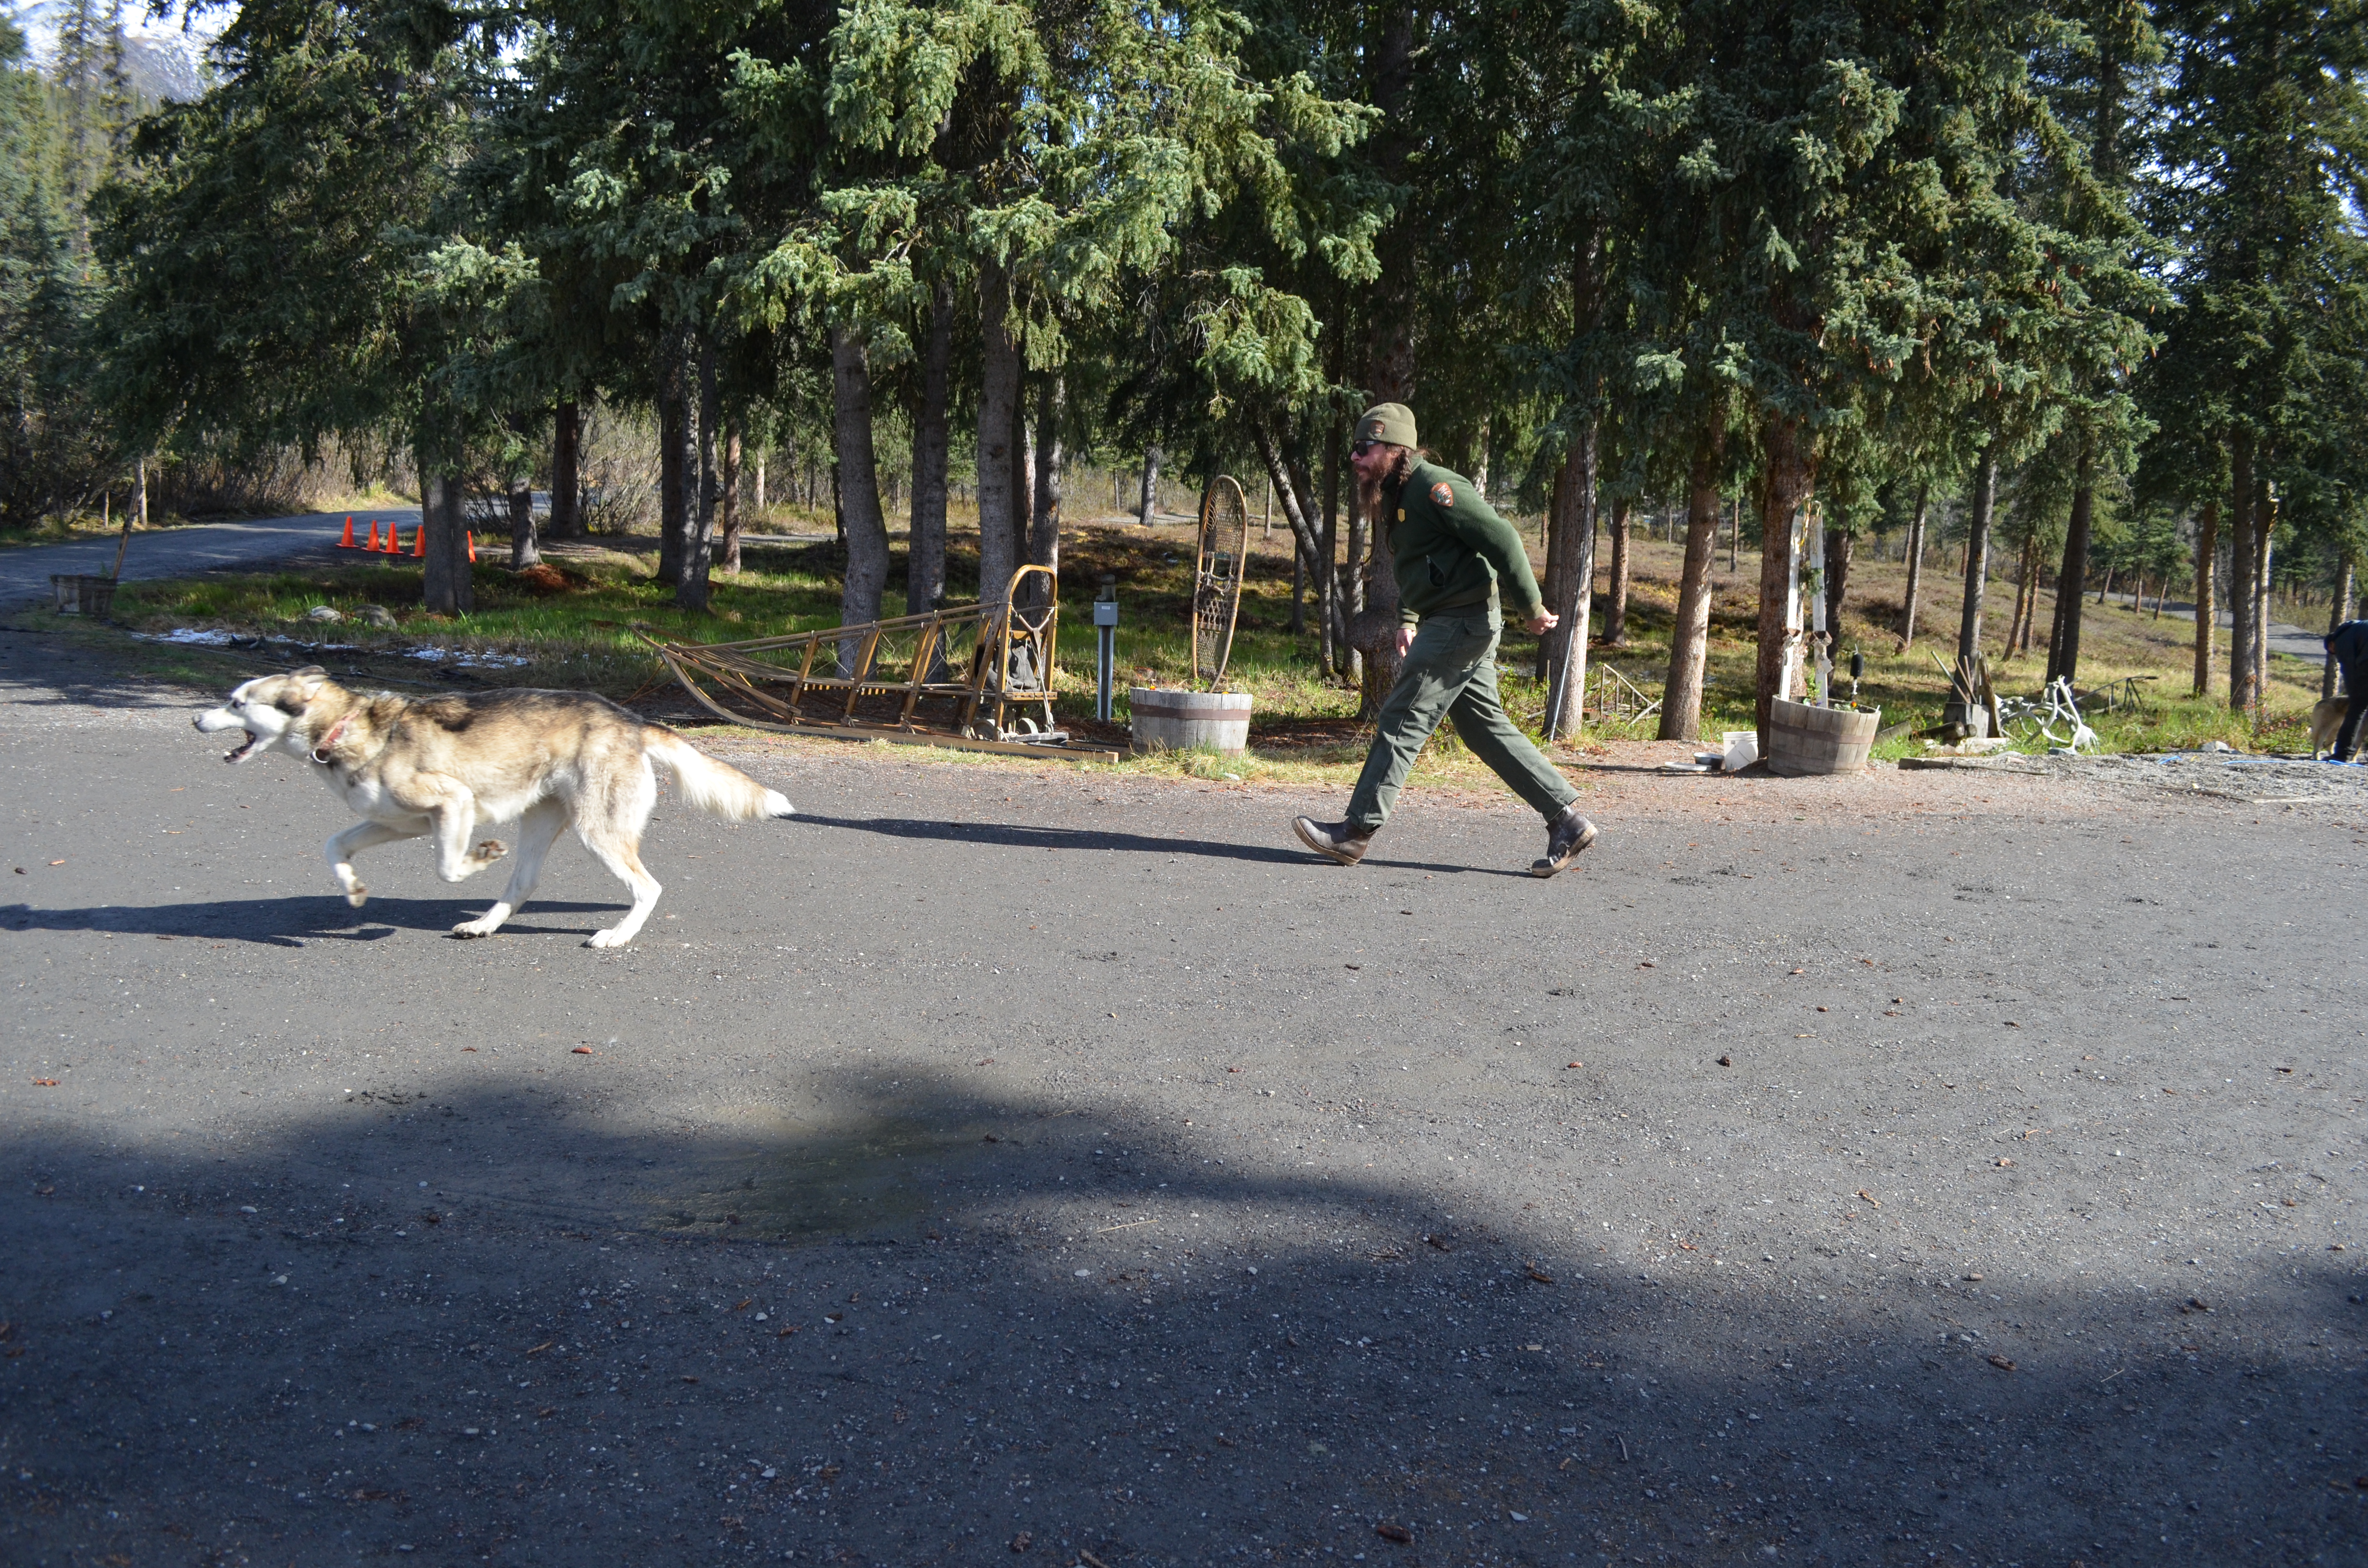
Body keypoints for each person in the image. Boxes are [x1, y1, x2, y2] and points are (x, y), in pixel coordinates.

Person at [1292, 402, 1598, 875]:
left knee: (1401, 716)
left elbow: (1501, 538)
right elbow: (1421, 562)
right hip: (1447, 619)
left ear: (1395, 449)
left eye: (1362, 448)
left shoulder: (1434, 488)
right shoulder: (1396, 494)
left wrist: (1530, 606)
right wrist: (1407, 618)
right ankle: (1566, 820)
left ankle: (1354, 832)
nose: (1353, 458)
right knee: (1482, 728)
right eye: (1352, 449)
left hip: (1461, 621)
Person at [2326, 618, 2368, 762]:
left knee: (2357, 708)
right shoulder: (2358, 629)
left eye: (2331, 651)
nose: (2333, 653)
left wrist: (2354, 695)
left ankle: (2343, 754)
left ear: (2331, 644)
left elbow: (2350, 671)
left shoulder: (2341, 639)